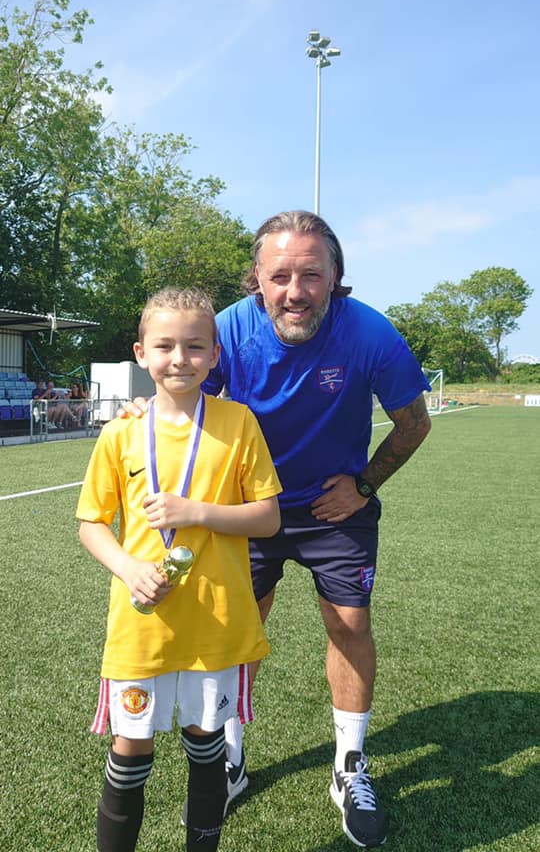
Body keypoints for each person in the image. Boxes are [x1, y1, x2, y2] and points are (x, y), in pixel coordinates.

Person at [121, 212, 432, 849]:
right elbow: (184, 387)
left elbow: (413, 423)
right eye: (280, 275)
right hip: (244, 511)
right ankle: (230, 757)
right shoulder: (228, 330)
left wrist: (364, 486)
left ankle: (349, 764)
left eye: (311, 274)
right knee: (239, 627)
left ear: (336, 278)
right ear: (257, 281)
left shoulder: (370, 333)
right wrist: (143, 413)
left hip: (332, 509)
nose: (296, 290)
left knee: (350, 624)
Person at [77, 287, 282, 852]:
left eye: (195, 347)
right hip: (141, 624)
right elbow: (91, 523)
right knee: (129, 748)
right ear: (141, 353)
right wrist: (126, 566)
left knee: (205, 742)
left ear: (215, 354)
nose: (179, 359)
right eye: (165, 345)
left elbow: (267, 518)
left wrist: (198, 513)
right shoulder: (120, 432)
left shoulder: (238, 424)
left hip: (216, 625)